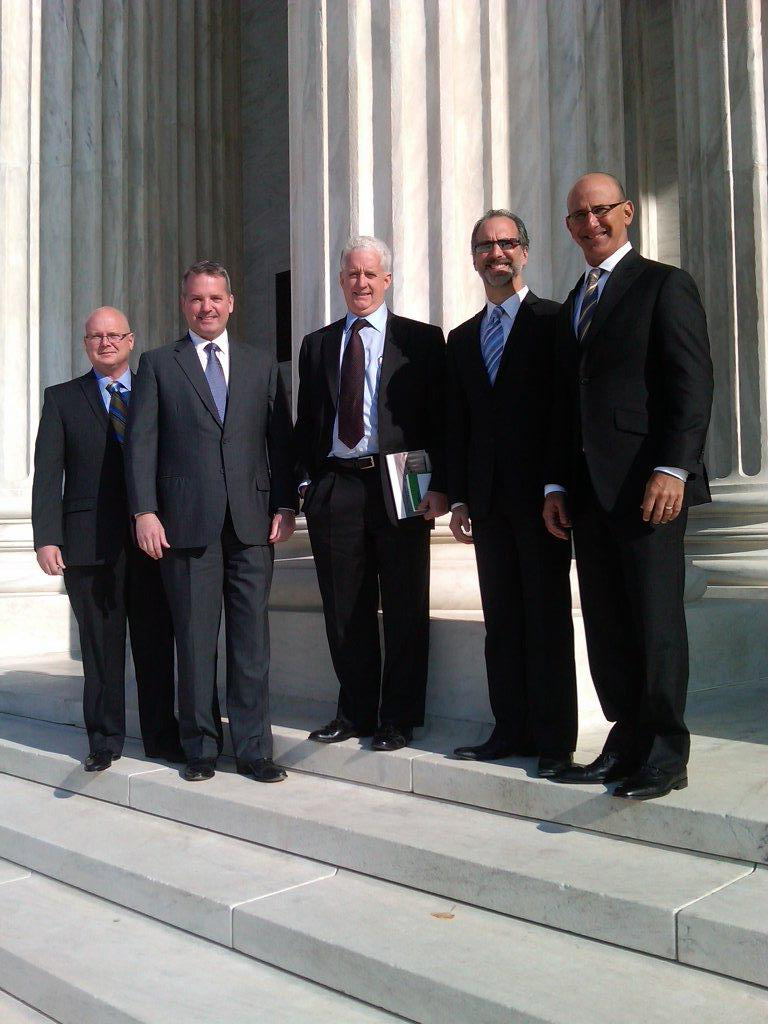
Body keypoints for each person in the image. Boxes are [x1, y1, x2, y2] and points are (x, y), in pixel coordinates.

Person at [544, 172, 713, 800]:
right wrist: (556, 483)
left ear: (627, 213)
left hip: (648, 488)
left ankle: (666, 747)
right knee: (608, 622)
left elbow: (692, 386)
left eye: (601, 211)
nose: (591, 223)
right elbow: (567, 404)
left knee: (655, 618)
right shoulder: (573, 303)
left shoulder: (665, 285)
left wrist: (674, 468)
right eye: (578, 216)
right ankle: (627, 734)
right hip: (588, 493)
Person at [124, 260, 296, 783]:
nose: (207, 307)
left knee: (251, 642)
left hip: (251, 524)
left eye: (216, 298)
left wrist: (286, 505)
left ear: (231, 302)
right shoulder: (158, 364)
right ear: (184, 305)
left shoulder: (259, 364)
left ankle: (253, 749)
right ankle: (199, 746)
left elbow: (280, 442)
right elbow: (141, 445)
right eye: (197, 299)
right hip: (184, 524)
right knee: (196, 642)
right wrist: (145, 511)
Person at [295, 235, 447, 751]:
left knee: (405, 602)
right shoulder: (316, 344)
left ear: (386, 280)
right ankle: (355, 711)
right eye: (351, 274)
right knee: (345, 606)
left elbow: (440, 420)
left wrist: (441, 486)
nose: (360, 282)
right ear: (341, 282)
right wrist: (306, 488)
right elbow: (306, 423)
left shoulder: (422, 340)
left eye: (370, 274)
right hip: (336, 483)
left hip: (402, 478)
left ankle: (399, 717)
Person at [445, 210, 577, 778]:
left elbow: (564, 413)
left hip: (543, 501)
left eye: (505, 244)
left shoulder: (554, 322)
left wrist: (557, 484)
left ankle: (554, 740)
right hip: (489, 502)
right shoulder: (462, 337)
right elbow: (460, 425)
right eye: (484, 245)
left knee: (546, 617)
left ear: (524, 252)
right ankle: (511, 727)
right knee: (501, 619)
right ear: (474, 257)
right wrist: (459, 497)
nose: (495, 254)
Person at [32, 307, 182, 772]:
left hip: (151, 542)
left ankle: (160, 735)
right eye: (96, 336)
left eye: (114, 335)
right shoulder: (61, 398)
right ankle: (104, 739)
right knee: (100, 646)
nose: (106, 343)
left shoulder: (158, 392)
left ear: (131, 340)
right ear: (85, 344)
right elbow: (47, 475)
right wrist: (46, 537)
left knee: (155, 643)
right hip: (87, 545)